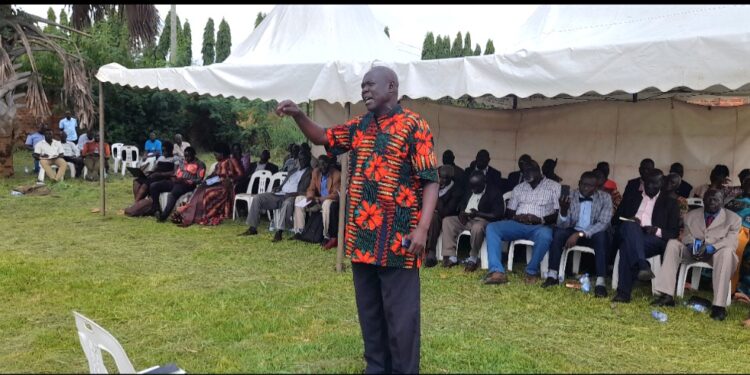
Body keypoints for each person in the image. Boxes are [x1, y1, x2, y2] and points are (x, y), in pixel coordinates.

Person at [274, 66, 438, 374]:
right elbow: (324, 136)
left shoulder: (414, 125)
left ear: (391, 86)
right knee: (370, 314)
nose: (364, 91)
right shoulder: (361, 126)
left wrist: (423, 228)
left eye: (370, 85)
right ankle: (376, 368)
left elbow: (430, 179)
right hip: (362, 239)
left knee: (401, 319)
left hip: (399, 241)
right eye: (361, 86)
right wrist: (298, 115)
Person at [651, 189, 741, 321]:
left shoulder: (734, 219)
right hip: (693, 251)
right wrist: (690, 244)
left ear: (722, 202)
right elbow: (686, 235)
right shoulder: (691, 215)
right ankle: (666, 295)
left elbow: (731, 241)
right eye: (709, 199)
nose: (712, 202)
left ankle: (718, 307)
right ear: (703, 200)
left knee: (727, 252)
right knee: (672, 244)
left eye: (716, 199)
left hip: (716, 254)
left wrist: (711, 248)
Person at [484, 160, 561, 285]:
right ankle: (497, 271)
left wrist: (540, 219)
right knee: (492, 228)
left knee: (546, 236)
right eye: (524, 171)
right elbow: (509, 212)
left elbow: (559, 213)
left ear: (538, 171)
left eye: (529, 171)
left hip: (540, 225)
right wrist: (518, 217)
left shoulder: (554, 187)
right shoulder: (519, 188)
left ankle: (531, 272)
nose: (526, 174)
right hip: (517, 224)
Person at [611, 169, 680, 303]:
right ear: (643, 182)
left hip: (653, 239)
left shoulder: (670, 202)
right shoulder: (632, 197)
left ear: (661, 183)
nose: (650, 187)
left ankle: (623, 293)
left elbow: (673, 232)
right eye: (647, 183)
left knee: (627, 246)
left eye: (654, 184)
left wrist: (657, 230)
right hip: (629, 231)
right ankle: (642, 264)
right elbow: (616, 219)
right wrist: (630, 219)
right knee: (631, 226)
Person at [542, 171, 613, 297]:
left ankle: (600, 283)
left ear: (596, 187)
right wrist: (563, 212)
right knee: (558, 233)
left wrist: (581, 234)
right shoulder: (570, 195)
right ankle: (552, 275)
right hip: (572, 229)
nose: (585, 188)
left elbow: (604, 223)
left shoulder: (605, 198)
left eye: (590, 185)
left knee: (602, 237)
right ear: (579, 183)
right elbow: (563, 225)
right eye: (583, 184)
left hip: (593, 232)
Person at [239, 150, 313, 242]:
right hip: (280, 193)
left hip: (293, 196)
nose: (302, 161)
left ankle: (279, 232)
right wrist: (278, 187)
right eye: (300, 159)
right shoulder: (293, 170)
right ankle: (252, 228)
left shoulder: (310, 172)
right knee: (258, 198)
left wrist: (291, 194)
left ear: (308, 159)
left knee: (287, 203)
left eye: (304, 159)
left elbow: (305, 191)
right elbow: (284, 183)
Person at [440, 170, 504, 272]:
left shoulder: (494, 192)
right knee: (448, 221)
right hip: (467, 219)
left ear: (484, 183)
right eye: (472, 186)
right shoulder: (470, 189)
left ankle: (473, 258)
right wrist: (462, 212)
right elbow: (462, 203)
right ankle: (451, 257)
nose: (473, 189)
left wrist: (478, 214)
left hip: (483, 220)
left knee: (477, 227)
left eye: (476, 187)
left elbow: (497, 214)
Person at [172, 143, 244, 226]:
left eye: (216, 155)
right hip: (217, 184)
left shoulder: (232, 160)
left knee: (208, 193)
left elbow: (241, 174)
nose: (215, 157)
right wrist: (206, 181)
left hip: (226, 187)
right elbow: (215, 176)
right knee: (199, 190)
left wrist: (231, 179)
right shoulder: (219, 164)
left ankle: (205, 215)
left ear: (222, 154)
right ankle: (192, 215)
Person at [292, 154, 341, 248]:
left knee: (326, 204)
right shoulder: (316, 172)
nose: (322, 167)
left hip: (329, 201)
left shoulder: (336, 174)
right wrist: (310, 197)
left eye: (324, 164)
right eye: (320, 164)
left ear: (329, 164)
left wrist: (320, 199)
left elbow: (335, 195)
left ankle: (326, 236)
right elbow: (311, 188)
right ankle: (300, 231)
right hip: (317, 201)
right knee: (299, 199)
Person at [150, 147, 206, 221]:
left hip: (187, 184)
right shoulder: (182, 161)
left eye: (188, 156)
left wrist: (191, 181)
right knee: (154, 186)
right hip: (176, 181)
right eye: (185, 156)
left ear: (194, 155)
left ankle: (163, 216)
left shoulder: (200, 164)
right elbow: (176, 172)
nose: (186, 158)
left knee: (173, 194)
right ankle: (156, 209)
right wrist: (173, 177)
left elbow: (200, 179)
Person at [425, 165, 464, 268]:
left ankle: (431, 252)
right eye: (439, 177)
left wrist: (437, 193)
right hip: (429, 214)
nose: (441, 180)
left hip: (447, 218)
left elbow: (445, 211)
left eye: (444, 178)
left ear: (450, 178)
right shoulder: (431, 184)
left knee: (435, 216)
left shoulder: (456, 190)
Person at [726, 176, 750, 295]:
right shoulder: (734, 201)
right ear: (743, 187)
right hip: (731, 233)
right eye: (747, 185)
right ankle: (731, 286)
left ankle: (740, 286)